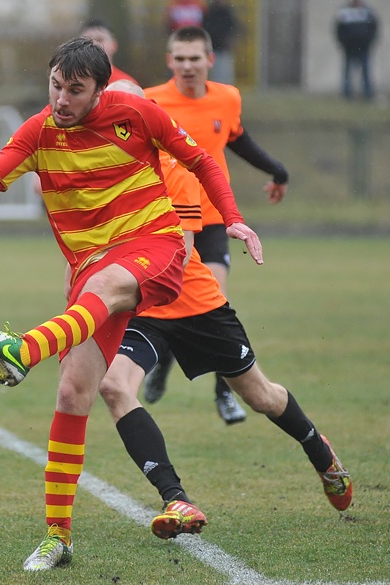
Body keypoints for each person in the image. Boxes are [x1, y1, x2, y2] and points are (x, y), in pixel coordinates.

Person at [0, 37, 262, 572]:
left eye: (75, 91)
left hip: (156, 247)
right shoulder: (37, 133)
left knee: (99, 293)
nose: (61, 99)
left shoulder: (137, 113)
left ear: (100, 90)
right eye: (55, 85)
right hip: (90, 270)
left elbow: (202, 162)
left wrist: (232, 216)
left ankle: (20, 351)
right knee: (74, 392)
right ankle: (57, 537)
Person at [100, 80, 352, 541]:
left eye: (126, 112)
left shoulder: (172, 168)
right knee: (115, 388)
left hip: (192, 303)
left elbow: (174, 258)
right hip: (143, 308)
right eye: (109, 110)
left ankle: (320, 451)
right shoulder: (97, 170)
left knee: (261, 397)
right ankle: (175, 499)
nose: (115, 121)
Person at [143, 26, 289, 425]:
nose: (188, 65)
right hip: (168, 220)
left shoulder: (228, 98)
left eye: (195, 58)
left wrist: (277, 170)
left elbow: (236, 138)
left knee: (215, 303)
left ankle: (225, 393)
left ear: (210, 60)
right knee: (172, 301)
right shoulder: (151, 101)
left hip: (212, 219)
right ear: (169, 61)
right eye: (180, 58)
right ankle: (161, 365)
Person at [334, 0, 378, 100]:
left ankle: (367, 94)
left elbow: (373, 28)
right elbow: (339, 30)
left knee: (365, 71)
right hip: (349, 48)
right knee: (347, 72)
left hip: (364, 48)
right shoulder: (344, 12)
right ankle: (347, 94)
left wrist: (368, 42)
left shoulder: (367, 12)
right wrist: (344, 43)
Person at [78, 19, 137, 85]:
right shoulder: (71, 81)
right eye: (87, 40)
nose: (93, 44)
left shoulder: (127, 85)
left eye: (99, 39)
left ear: (114, 45)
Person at [203, 0, 238, 85]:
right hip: (213, 48)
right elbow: (206, 28)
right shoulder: (209, 11)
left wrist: (230, 39)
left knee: (225, 75)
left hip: (224, 48)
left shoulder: (226, 11)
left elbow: (233, 27)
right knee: (216, 76)